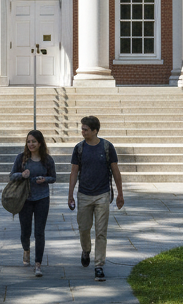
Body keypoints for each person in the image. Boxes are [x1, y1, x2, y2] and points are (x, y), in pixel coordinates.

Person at [67, 116, 123, 282]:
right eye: (82, 128)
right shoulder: (79, 148)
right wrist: (70, 194)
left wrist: (120, 193)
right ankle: (86, 250)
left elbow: (115, 171)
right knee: (84, 228)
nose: (82, 131)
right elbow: (74, 172)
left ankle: (99, 265)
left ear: (94, 131)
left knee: (101, 232)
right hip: (84, 195)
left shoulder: (107, 147)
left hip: (102, 195)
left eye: (85, 129)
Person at [9, 129, 57, 278]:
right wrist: (22, 175)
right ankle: (26, 249)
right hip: (25, 199)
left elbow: (53, 177)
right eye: (28, 141)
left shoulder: (47, 159)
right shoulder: (21, 158)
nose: (31, 144)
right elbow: (12, 176)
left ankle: (38, 264)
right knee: (25, 231)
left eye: (34, 142)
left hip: (42, 197)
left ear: (40, 143)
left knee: (39, 232)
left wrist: (45, 179)